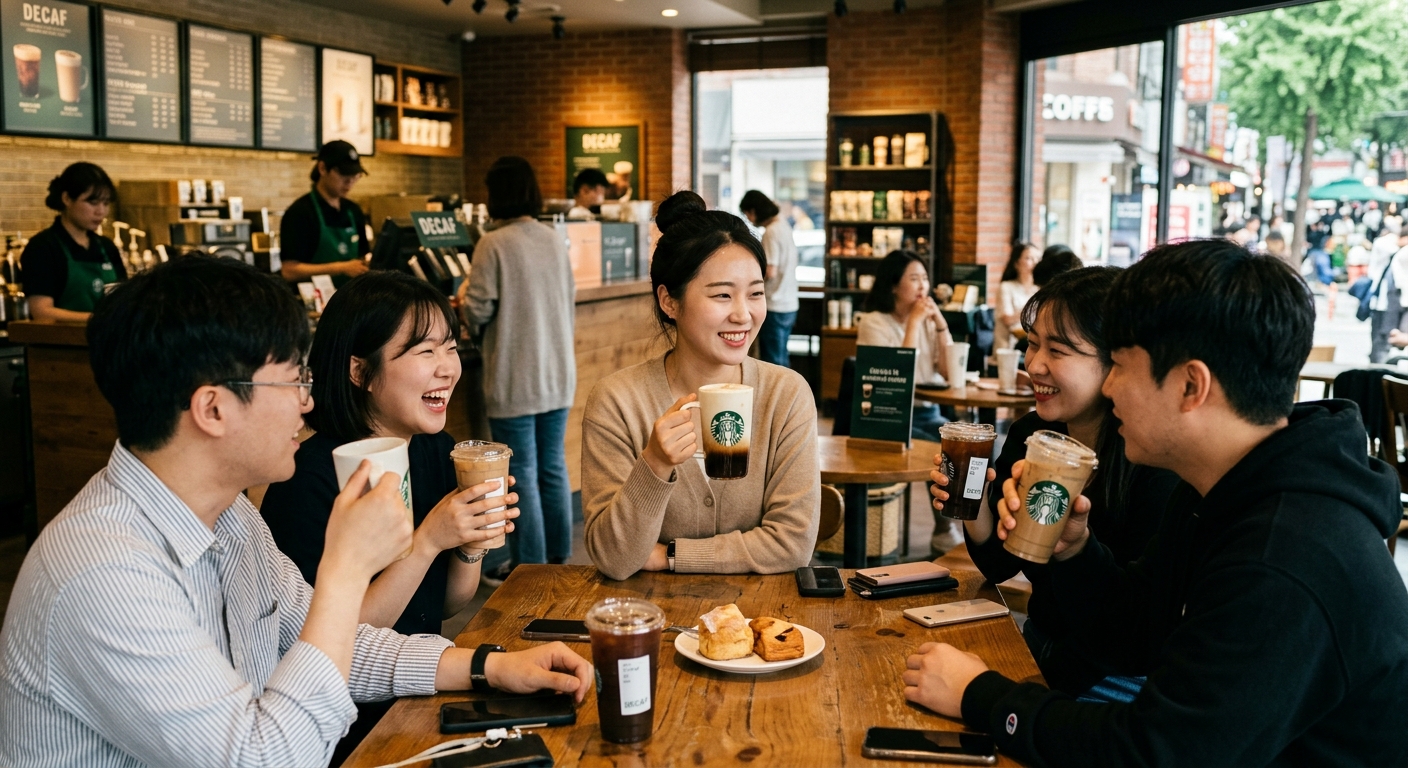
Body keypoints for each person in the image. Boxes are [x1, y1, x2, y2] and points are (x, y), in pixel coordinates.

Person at [0, 256, 593, 768]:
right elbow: (269, 757)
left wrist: (491, 666)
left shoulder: (230, 518)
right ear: (213, 409)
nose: (309, 401)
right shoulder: (103, 573)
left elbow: (334, 647)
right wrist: (344, 569)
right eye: (291, 381)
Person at [902, 240, 1408, 766]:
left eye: (1120, 364)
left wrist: (980, 696)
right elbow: (1137, 633)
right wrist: (1074, 550)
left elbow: (1156, 751)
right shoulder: (1217, 487)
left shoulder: (1285, 554)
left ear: (1191, 385)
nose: (1111, 385)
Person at [259, 271, 520, 761]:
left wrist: (468, 542)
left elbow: (444, 607)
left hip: (425, 692)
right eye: (425, 352)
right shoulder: (306, 482)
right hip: (346, 728)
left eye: (450, 347)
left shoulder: (439, 453)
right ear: (360, 371)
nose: (448, 368)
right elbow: (337, 644)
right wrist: (426, 541)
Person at [931, 267, 1180, 696]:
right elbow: (999, 564)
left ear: (1116, 361)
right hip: (1039, 646)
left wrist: (1026, 691)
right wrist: (973, 503)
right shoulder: (1033, 435)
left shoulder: (1154, 463)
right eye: (1031, 344)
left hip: (1118, 677)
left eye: (1059, 350)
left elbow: (1137, 628)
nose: (1033, 365)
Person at [580, 191, 820, 580]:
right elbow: (615, 558)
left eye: (755, 293)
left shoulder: (786, 395)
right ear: (669, 302)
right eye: (722, 295)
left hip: (760, 625)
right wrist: (654, 464)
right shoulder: (618, 401)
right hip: (652, 625)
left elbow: (792, 544)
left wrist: (669, 556)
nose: (743, 314)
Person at [464, 156, 575, 574]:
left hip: (515, 378)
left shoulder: (493, 243)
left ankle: (528, 568)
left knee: (523, 473)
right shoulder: (552, 238)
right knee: (552, 467)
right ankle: (559, 559)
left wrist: (466, 309)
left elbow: (477, 308)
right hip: (557, 375)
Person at [857, 249, 956, 554]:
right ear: (892, 285)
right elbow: (898, 380)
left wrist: (940, 324)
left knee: (972, 447)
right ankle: (944, 529)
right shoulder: (874, 322)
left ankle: (967, 528)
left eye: (925, 278)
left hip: (929, 412)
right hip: (892, 417)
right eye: (913, 278)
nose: (922, 285)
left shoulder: (928, 321)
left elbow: (949, 371)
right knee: (944, 453)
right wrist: (914, 324)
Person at [19, 162, 125, 321]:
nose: (101, 211)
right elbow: (41, 312)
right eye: (93, 202)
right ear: (67, 198)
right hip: (58, 343)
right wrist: (97, 320)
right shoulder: (43, 247)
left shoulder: (106, 247)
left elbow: (123, 300)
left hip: (106, 341)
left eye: (106, 203)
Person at [279, 140, 371, 287]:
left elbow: (361, 258)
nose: (350, 182)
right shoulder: (300, 212)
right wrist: (342, 268)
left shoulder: (353, 210)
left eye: (355, 175)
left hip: (351, 300)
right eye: (344, 174)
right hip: (314, 303)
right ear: (322, 168)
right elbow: (289, 271)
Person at [739, 190, 799, 368]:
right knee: (780, 356)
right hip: (789, 303)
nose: (749, 219)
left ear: (755, 211)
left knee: (773, 362)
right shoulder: (783, 225)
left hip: (775, 304)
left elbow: (770, 271)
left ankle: (780, 396)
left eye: (748, 214)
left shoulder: (771, 232)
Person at [1368, 222, 1408, 363]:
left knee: (1382, 345)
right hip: (1386, 304)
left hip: (1390, 304)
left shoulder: (1399, 253)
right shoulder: (1395, 251)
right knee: (1382, 345)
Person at [994, 242, 1039, 351]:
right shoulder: (1006, 287)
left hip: (1032, 346)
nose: (1035, 262)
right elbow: (1007, 320)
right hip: (1008, 349)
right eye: (1029, 258)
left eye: (1037, 258)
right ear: (1016, 263)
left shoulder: (1039, 289)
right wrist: (1032, 309)